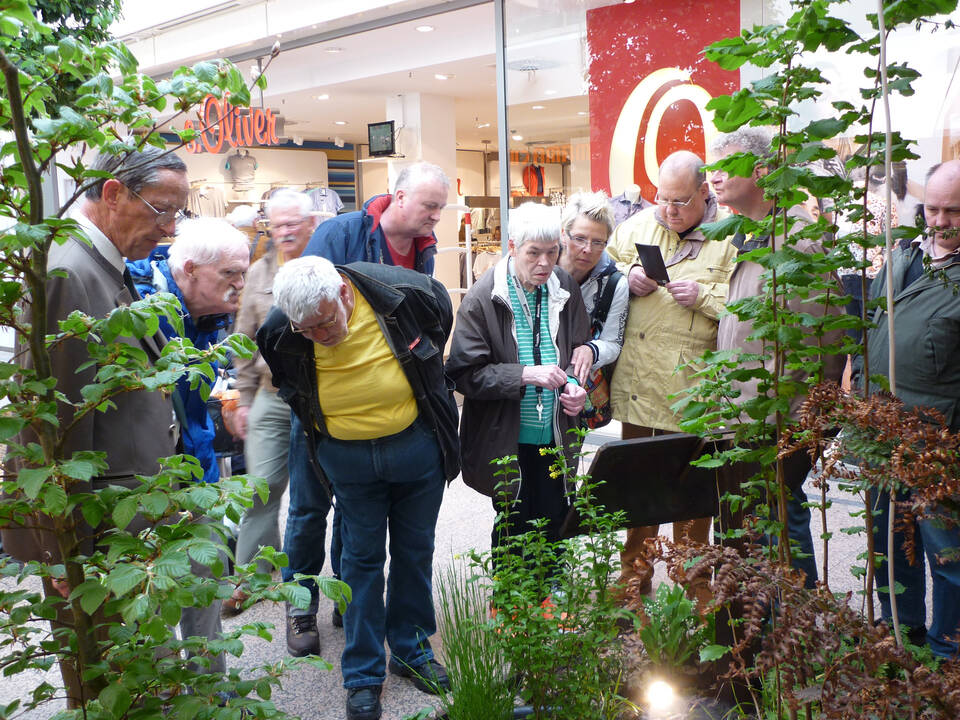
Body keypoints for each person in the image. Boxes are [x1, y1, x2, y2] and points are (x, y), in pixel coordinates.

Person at [0, 147, 191, 705]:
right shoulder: (70, 272)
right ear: (112, 194)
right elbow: (48, 428)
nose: (170, 228)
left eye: (179, 213)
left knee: (139, 680)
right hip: (97, 536)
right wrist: (64, 553)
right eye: (161, 211)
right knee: (114, 687)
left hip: (121, 527)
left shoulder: (95, 263)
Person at [257, 256, 459, 720]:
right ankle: (363, 673)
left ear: (344, 295)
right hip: (347, 462)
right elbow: (289, 382)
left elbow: (439, 328)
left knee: (415, 551)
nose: (322, 337)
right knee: (361, 561)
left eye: (326, 323)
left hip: (415, 449)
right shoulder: (279, 329)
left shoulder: (407, 293)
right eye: (308, 331)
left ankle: (411, 650)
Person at [282, 162, 450, 656]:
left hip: (384, 413)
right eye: (429, 205)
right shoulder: (342, 233)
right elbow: (299, 306)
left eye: (441, 207)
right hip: (325, 403)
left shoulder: (425, 250)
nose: (436, 216)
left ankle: (348, 602)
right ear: (399, 197)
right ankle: (300, 605)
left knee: (355, 521)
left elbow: (428, 319)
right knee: (310, 508)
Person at [710, 128, 845, 589]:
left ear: (763, 172)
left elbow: (822, 346)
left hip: (776, 426)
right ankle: (757, 637)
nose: (715, 177)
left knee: (780, 530)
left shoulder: (798, 244)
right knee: (747, 534)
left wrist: (802, 428)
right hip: (742, 420)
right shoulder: (752, 235)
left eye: (727, 167)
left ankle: (798, 638)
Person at [605, 151, 737, 600]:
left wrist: (704, 295)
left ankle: (694, 583)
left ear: (705, 192)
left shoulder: (731, 238)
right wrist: (628, 276)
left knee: (693, 494)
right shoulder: (636, 227)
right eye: (662, 198)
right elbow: (602, 271)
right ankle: (634, 575)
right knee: (639, 485)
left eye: (680, 200)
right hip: (640, 383)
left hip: (695, 389)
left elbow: (748, 309)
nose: (669, 209)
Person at [446, 202, 591, 566]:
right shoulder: (484, 297)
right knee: (513, 519)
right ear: (512, 247)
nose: (544, 263)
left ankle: (554, 597)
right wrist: (526, 374)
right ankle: (511, 604)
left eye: (552, 252)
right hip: (507, 434)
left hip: (556, 430)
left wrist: (573, 385)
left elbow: (575, 349)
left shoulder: (565, 286)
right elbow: (465, 374)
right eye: (534, 253)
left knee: (557, 511)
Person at [862, 159, 960, 658]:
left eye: (954, 212)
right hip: (880, 435)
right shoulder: (903, 256)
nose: (940, 221)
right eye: (934, 209)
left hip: (937, 445)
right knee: (888, 544)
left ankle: (947, 654)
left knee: (947, 554)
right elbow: (873, 325)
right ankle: (902, 635)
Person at [223, 190, 317, 616]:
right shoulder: (258, 275)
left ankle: (315, 581)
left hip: (321, 398)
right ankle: (251, 578)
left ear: (310, 224)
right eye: (277, 225)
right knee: (260, 487)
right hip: (271, 396)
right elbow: (242, 340)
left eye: (292, 224)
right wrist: (242, 399)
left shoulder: (325, 267)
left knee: (320, 495)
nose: (285, 232)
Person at [127, 217, 250, 485]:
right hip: (147, 480)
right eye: (230, 273)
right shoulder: (139, 311)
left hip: (197, 467)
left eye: (243, 273)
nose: (240, 284)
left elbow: (193, 417)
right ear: (190, 268)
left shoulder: (208, 317)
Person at [556, 191, 629, 388]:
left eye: (598, 242)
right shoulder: (542, 269)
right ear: (564, 234)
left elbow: (613, 342)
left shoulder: (614, 284)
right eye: (580, 238)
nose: (588, 249)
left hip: (579, 388)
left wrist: (592, 350)